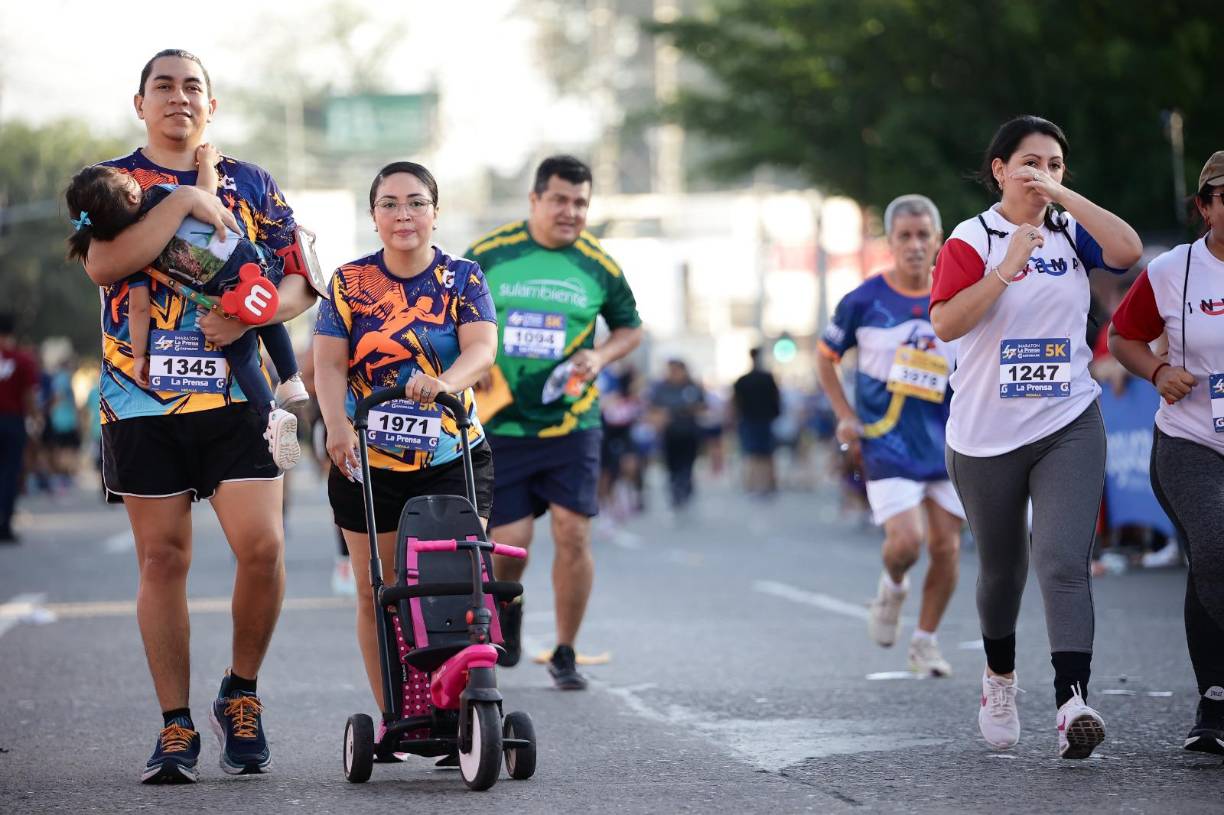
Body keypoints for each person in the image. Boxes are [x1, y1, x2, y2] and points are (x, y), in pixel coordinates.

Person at [80, 49, 318, 783]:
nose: (178, 97)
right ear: (140, 102)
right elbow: (103, 264)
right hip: (139, 399)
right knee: (163, 559)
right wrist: (180, 202)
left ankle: (240, 692)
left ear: (210, 105)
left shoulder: (252, 182)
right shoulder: (115, 182)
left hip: (238, 398)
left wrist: (249, 314)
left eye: (193, 87)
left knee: (264, 548)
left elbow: (302, 282)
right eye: (164, 86)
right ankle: (174, 726)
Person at [930, 115, 1142, 758]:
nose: (1041, 174)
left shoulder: (1072, 232)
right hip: (985, 432)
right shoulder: (972, 239)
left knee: (1060, 561)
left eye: (1053, 164)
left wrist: (1062, 198)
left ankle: (1072, 700)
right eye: (1029, 163)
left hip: (1066, 420)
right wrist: (1004, 271)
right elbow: (944, 323)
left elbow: (1129, 252)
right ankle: (998, 678)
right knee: (1003, 570)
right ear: (998, 169)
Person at [313, 161, 498, 733]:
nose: (403, 215)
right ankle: (398, 716)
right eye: (389, 203)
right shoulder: (348, 282)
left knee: (456, 587)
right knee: (379, 592)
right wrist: (336, 428)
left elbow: (482, 350)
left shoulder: (463, 278)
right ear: (374, 216)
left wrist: (445, 383)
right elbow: (327, 362)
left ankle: (462, 707)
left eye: (416, 202)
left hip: (452, 458)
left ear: (435, 213)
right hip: (367, 463)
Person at [466, 155, 643, 689]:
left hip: (573, 423)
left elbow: (630, 329)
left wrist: (601, 357)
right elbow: (453, 316)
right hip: (501, 424)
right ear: (535, 200)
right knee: (511, 543)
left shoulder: (599, 265)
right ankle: (510, 611)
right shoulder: (488, 256)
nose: (571, 212)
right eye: (561, 200)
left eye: (581, 203)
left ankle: (565, 650)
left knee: (573, 532)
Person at [65, 144, 307, 470]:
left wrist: (139, 357)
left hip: (220, 296)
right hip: (250, 265)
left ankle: (270, 412)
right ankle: (291, 377)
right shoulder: (163, 197)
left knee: (242, 353)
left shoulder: (135, 252)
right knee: (265, 313)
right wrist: (207, 162)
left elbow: (137, 309)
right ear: (133, 195)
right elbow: (204, 194)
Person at [815, 194, 964, 677]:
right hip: (887, 440)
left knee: (946, 545)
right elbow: (825, 357)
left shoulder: (958, 297)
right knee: (906, 543)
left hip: (949, 440)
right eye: (905, 236)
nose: (915, 246)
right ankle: (893, 585)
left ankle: (924, 642)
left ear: (938, 241)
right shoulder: (863, 301)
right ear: (891, 242)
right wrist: (844, 414)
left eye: (924, 236)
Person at [1108, 150, 1224, 755]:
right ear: (1204, 207)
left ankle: (1214, 698)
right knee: (1216, 546)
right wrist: (1156, 370)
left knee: (1210, 564)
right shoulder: (1173, 271)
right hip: (1191, 442)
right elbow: (1121, 336)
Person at [0, 313, 39, 543]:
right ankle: (5, 525)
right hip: (12, 421)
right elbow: (29, 395)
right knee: (10, 473)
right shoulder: (22, 359)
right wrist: (35, 419)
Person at [648, 359, 706, 512]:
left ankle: (685, 488)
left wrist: (688, 410)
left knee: (687, 464)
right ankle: (675, 491)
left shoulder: (692, 387)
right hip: (669, 433)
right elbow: (653, 408)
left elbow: (703, 407)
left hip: (689, 432)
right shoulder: (661, 388)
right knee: (672, 465)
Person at [732, 348, 781, 497]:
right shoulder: (766, 378)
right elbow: (776, 400)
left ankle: (753, 484)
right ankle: (766, 484)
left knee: (752, 453)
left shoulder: (743, 380)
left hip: (750, 420)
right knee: (765, 453)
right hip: (763, 420)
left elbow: (736, 403)